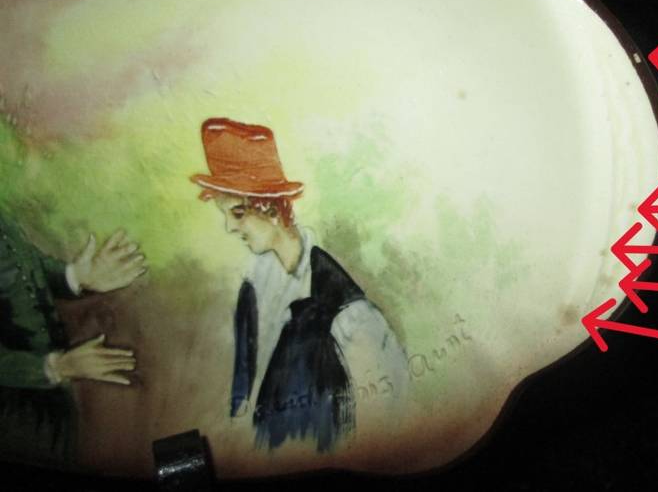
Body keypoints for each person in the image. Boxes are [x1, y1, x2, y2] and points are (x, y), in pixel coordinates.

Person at [189, 117, 407, 453]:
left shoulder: (347, 313)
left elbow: (388, 420)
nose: (229, 227)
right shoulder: (251, 291)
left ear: (272, 209)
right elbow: (242, 401)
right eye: (226, 214)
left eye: (238, 213)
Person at [0, 215, 146, 465]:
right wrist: (56, 367)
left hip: (50, 400)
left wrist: (76, 276)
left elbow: (24, 265)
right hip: (9, 412)